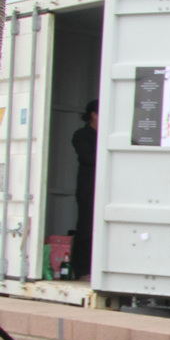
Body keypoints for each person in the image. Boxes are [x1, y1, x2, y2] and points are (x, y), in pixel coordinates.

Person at [71, 99, 97, 278]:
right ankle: (82, 269)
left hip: (108, 186)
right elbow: (88, 158)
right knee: (86, 227)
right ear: (93, 115)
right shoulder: (82, 135)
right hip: (88, 186)